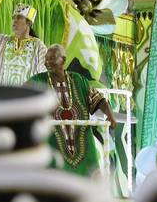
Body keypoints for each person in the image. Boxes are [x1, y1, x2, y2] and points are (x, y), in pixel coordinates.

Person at [28, 44, 115, 176]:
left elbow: (98, 99)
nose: (47, 62)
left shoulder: (79, 81)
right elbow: (23, 95)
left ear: (63, 60)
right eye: (46, 59)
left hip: (82, 143)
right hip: (53, 143)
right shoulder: (38, 81)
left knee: (90, 178)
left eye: (52, 59)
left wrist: (110, 115)